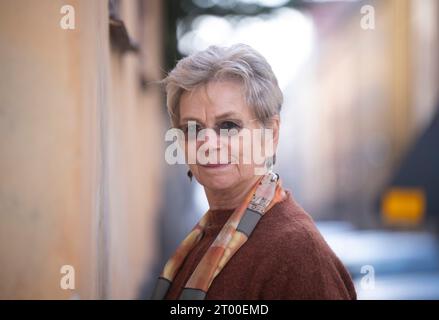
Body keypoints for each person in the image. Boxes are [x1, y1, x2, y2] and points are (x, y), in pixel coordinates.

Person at [151, 44, 356, 300]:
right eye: (192, 128)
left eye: (228, 125)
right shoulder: (204, 238)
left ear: (271, 134)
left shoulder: (296, 251)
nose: (208, 143)